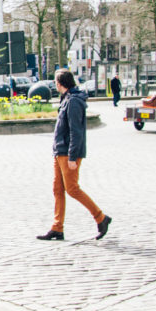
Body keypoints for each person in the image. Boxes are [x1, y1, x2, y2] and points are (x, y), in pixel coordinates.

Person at [37, 69, 111, 242]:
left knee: (72, 189)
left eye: (56, 82)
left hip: (67, 153)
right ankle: (57, 228)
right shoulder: (67, 99)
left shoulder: (74, 102)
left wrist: (72, 157)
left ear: (60, 83)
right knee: (58, 189)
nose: (55, 85)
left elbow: (76, 132)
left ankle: (101, 218)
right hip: (59, 151)